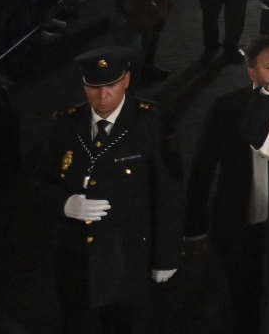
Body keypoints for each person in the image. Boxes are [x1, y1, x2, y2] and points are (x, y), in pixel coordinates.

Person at [44, 48, 181, 334]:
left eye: (111, 85)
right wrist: (64, 202)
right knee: (74, 321)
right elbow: (37, 182)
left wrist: (166, 255)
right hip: (76, 254)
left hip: (127, 253)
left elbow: (168, 194)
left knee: (123, 324)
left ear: (127, 80)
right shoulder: (65, 123)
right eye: (94, 87)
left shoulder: (151, 123)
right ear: (84, 86)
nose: (103, 95)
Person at [185, 35, 269, 334]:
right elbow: (203, 168)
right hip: (243, 221)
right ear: (251, 71)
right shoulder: (227, 108)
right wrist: (195, 230)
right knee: (243, 298)